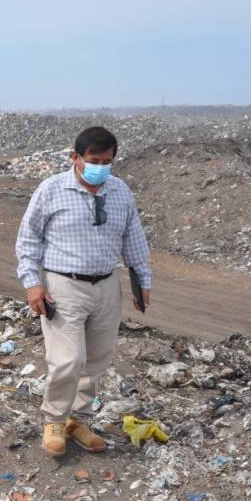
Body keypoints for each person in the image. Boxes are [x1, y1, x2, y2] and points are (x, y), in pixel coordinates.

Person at [15, 126, 152, 457]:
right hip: (64, 286)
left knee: (96, 359)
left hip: (107, 285)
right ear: (75, 157)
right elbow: (28, 239)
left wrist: (142, 280)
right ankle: (54, 421)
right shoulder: (51, 190)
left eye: (107, 162)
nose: (100, 167)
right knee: (68, 359)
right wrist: (32, 284)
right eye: (94, 160)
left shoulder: (119, 191)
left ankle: (79, 421)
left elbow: (133, 237)